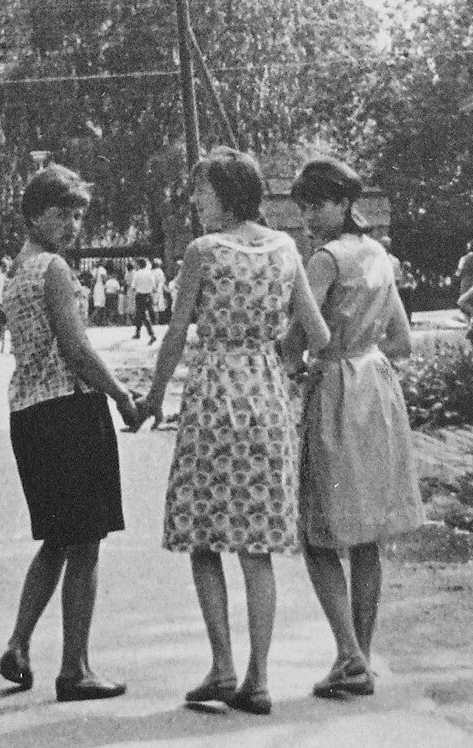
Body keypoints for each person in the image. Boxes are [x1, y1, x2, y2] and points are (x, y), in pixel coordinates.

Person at [136, 148, 330, 715]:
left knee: (203, 536)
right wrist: (273, 354)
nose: (196, 201)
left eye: (202, 191)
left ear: (226, 193)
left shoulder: (204, 252)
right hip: (267, 399)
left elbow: (176, 335)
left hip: (213, 399)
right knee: (255, 545)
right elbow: (317, 334)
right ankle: (259, 678)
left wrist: (153, 398)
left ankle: (222, 667)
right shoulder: (286, 248)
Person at [0, 166, 142, 703]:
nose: (73, 225)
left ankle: (18, 643)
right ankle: (75, 668)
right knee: (86, 542)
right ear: (35, 214)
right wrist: (121, 395)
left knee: (57, 538)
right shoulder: (54, 268)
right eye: (62, 214)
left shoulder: (17, 269)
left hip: (28, 412)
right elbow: (77, 350)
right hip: (69, 410)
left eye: (78, 215)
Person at [287, 159, 423, 699]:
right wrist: (363, 348)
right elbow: (402, 341)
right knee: (366, 533)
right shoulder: (378, 255)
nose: (309, 215)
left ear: (345, 203)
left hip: (336, 390)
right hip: (377, 389)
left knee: (317, 528)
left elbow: (296, 340)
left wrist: (307, 362)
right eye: (304, 206)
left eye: (318, 204)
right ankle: (360, 655)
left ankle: (348, 655)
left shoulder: (323, 260)